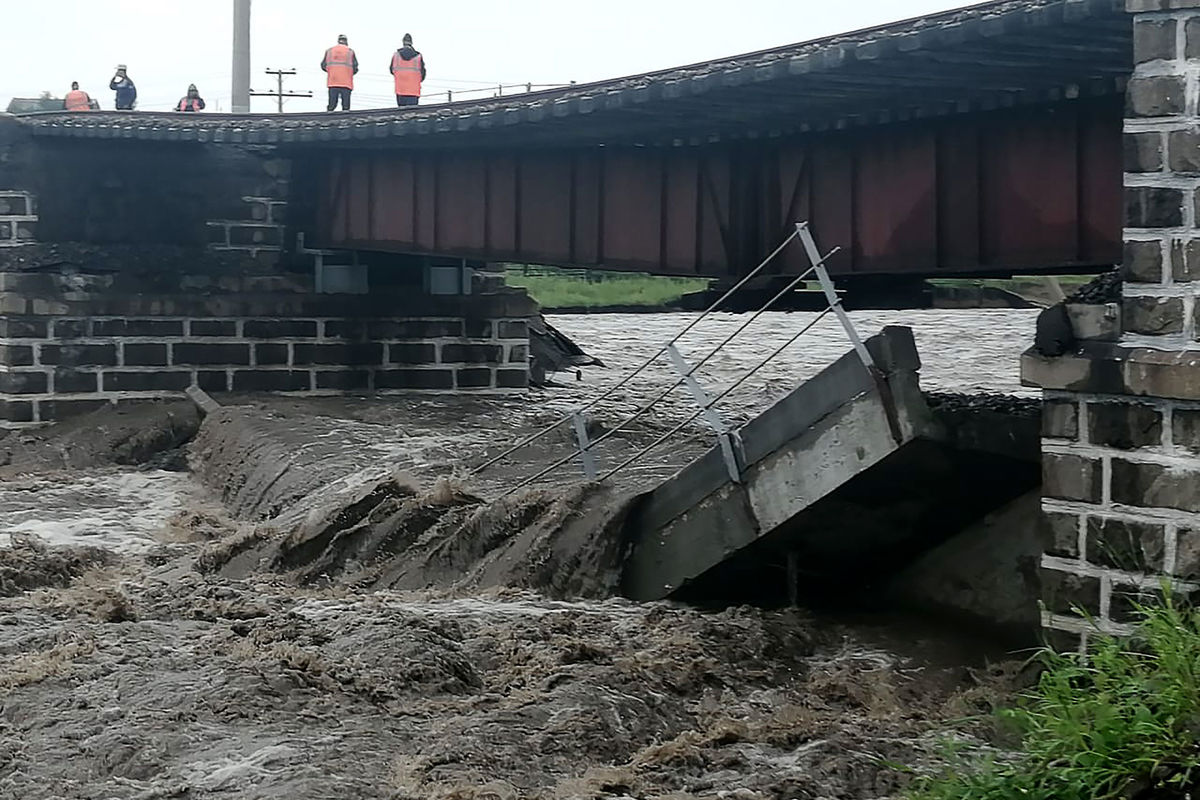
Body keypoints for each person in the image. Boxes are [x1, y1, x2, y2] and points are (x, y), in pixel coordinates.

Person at [321, 34, 358, 112]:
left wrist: (332, 71)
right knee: (345, 106)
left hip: (333, 80)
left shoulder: (329, 51)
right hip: (346, 82)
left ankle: (329, 115)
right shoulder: (350, 51)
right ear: (346, 41)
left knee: (332, 104)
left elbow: (323, 65)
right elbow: (355, 67)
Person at [390, 33, 426, 107]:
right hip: (414, 90)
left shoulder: (396, 55)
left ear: (403, 42)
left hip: (400, 90)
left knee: (401, 114)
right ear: (411, 43)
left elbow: (391, 70)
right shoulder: (418, 56)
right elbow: (423, 74)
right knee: (412, 114)